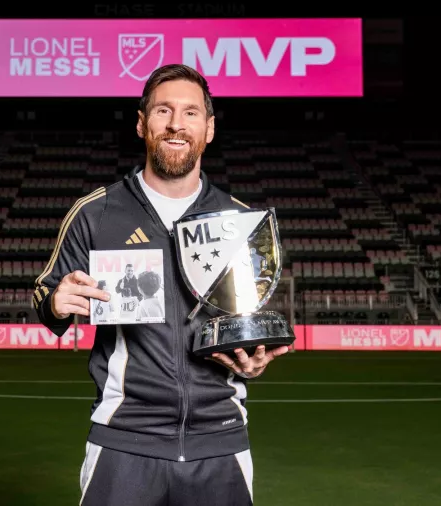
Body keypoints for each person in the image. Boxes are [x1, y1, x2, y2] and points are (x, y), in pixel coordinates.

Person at [32, 63, 289, 506]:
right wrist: (56, 301)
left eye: (191, 114)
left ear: (209, 129)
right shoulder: (96, 212)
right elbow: (45, 295)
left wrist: (253, 358)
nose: (176, 124)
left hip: (220, 441)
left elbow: (243, 326)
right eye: (162, 111)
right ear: (141, 123)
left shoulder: (239, 222)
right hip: (123, 443)